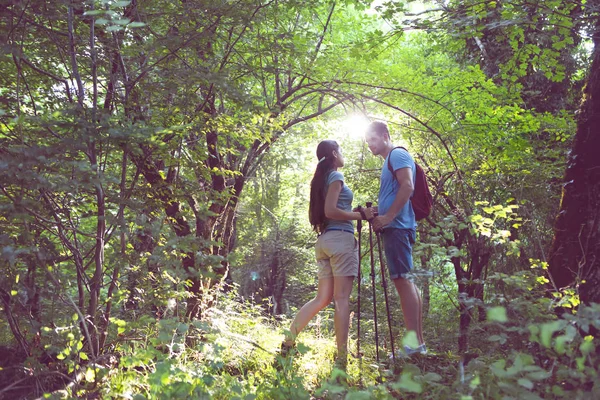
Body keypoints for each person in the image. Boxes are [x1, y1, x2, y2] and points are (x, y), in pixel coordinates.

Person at [280, 139, 371, 368]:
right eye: (341, 150)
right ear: (333, 153)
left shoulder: (320, 180)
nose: (343, 155)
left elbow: (327, 211)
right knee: (341, 299)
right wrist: (363, 216)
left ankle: (288, 342)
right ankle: (342, 358)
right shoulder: (336, 176)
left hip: (324, 242)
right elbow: (331, 210)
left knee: (322, 298)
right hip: (340, 240)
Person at [364, 121, 426, 356]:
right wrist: (380, 212)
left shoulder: (397, 155)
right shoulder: (389, 161)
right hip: (396, 226)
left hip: (398, 226)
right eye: (367, 141)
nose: (370, 144)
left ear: (385, 136)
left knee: (403, 281)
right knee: (405, 281)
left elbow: (408, 186)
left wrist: (389, 216)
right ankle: (418, 344)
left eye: (373, 139)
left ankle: (414, 345)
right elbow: (396, 192)